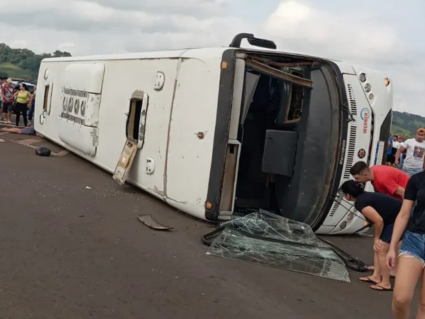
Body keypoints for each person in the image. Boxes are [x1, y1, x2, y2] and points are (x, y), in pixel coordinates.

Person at [341, 180, 402, 291]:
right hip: (393, 218)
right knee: (378, 248)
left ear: (348, 195)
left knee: (381, 248)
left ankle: (386, 283)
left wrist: (376, 238)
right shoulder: (365, 196)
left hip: (399, 219)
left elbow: (378, 221)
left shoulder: (360, 202)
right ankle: (376, 276)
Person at [387, 170, 425, 318]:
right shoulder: (417, 179)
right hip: (414, 240)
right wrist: (392, 247)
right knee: (400, 298)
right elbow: (404, 214)